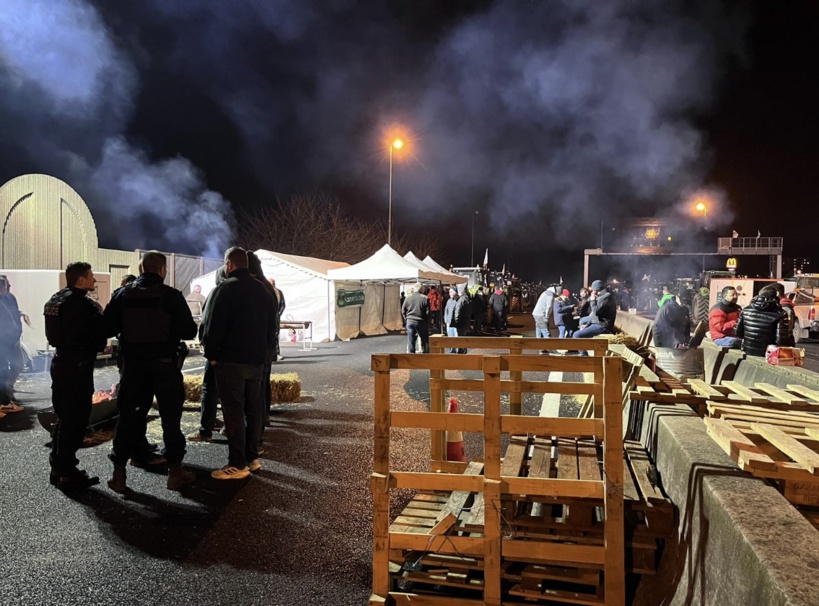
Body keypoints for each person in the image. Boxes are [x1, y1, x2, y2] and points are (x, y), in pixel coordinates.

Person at [104, 251, 198, 492]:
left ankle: (119, 475)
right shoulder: (172, 296)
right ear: (163, 270)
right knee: (171, 421)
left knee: (128, 419)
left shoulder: (122, 295)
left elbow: (107, 327)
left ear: (142, 268)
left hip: (133, 367)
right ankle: (175, 472)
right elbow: (189, 331)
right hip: (165, 367)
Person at [200, 247, 277, 480]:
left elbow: (211, 327)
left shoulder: (223, 290)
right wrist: (264, 354)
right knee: (254, 410)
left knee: (233, 411)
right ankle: (252, 458)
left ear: (229, 265)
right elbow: (272, 328)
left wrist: (211, 355)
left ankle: (237, 463)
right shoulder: (264, 290)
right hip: (256, 361)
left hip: (230, 361)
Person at [44, 262, 107, 490]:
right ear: (81, 280)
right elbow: (99, 339)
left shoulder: (55, 299)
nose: (94, 280)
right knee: (77, 419)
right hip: (78, 367)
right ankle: (67, 471)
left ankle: (58, 466)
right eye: (91, 276)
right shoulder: (85, 306)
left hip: (60, 363)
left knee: (63, 417)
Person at [188, 266, 229, 443]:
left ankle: (206, 430)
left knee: (210, 390)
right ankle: (233, 429)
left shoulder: (217, 293)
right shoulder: (253, 290)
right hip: (240, 354)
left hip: (219, 353)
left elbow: (207, 324)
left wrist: (210, 353)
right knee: (234, 393)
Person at [735, 288, 789, 357]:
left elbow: (738, 333)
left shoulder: (746, 310)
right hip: (768, 353)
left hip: (748, 350)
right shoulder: (780, 313)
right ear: (775, 297)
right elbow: (781, 340)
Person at [0, 275, 24, 416]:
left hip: (12, 341)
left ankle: (6, 395)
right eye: (6, 286)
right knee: (1, 371)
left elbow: (13, 315)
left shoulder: (9, 298)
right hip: (3, 343)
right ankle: (4, 402)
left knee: (18, 364)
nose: (9, 288)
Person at [402, 283, 430, 354]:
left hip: (410, 320)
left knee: (411, 339)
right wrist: (427, 322)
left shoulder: (408, 298)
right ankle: (425, 354)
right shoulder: (425, 298)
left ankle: (412, 355)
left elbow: (403, 310)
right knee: (424, 340)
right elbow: (428, 313)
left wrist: (406, 319)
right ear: (422, 289)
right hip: (420, 321)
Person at [770, 282, 796, 347]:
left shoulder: (785, 308)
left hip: (785, 344)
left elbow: (788, 329)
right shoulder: (783, 306)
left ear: (777, 293)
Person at [269, 278, 285, 360]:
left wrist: (279, 313)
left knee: (276, 334)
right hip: (269, 317)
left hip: (276, 317)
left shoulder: (279, 292)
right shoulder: (265, 291)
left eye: (273, 282)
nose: (272, 284)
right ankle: (271, 353)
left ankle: (277, 353)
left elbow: (283, 304)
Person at [453, 283, 472, 353]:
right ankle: (463, 351)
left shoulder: (461, 300)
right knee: (463, 337)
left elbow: (457, 312)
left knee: (461, 338)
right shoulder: (467, 298)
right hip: (466, 322)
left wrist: (456, 321)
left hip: (461, 323)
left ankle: (461, 353)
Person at [444, 287, 459, 353]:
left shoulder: (458, 300)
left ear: (455, 293)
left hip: (455, 322)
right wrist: (446, 320)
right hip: (449, 322)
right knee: (450, 337)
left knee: (456, 337)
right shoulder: (449, 300)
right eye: (449, 292)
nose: (450, 294)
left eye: (452, 292)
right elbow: (446, 310)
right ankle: (452, 350)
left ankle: (457, 350)